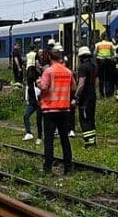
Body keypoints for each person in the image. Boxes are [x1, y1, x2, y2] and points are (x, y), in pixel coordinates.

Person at [37, 44, 75, 174]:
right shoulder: (68, 72)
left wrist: (38, 82)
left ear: (49, 58)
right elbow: (73, 88)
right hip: (64, 109)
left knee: (49, 140)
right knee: (65, 139)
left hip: (50, 109)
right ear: (60, 57)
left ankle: (48, 168)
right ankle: (68, 168)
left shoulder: (48, 72)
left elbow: (44, 88)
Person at [74, 46, 98, 148]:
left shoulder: (82, 67)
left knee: (84, 119)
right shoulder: (94, 66)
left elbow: (81, 83)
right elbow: (97, 81)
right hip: (92, 94)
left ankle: (89, 143)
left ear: (81, 57)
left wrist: (76, 95)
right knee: (91, 118)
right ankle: (93, 141)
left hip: (85, 96)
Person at [21, 62, 43, 144]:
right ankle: (29, 133)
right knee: (26, 115)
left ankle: (40, 136)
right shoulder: (29, 82)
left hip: (40, 103)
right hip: (33, 102)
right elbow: (29, 92)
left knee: (39, 119)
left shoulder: (38, 80)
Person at [94, 32, 115, 99]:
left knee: (101, 79)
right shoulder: (110, 44)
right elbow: (114, 52)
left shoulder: (97, 44)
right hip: (108, 61)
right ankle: (108, 93)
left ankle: (101, 94)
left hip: (100, 61)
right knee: (108, 78)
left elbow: (95, 53)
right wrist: (112, 58)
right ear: (106, 37)